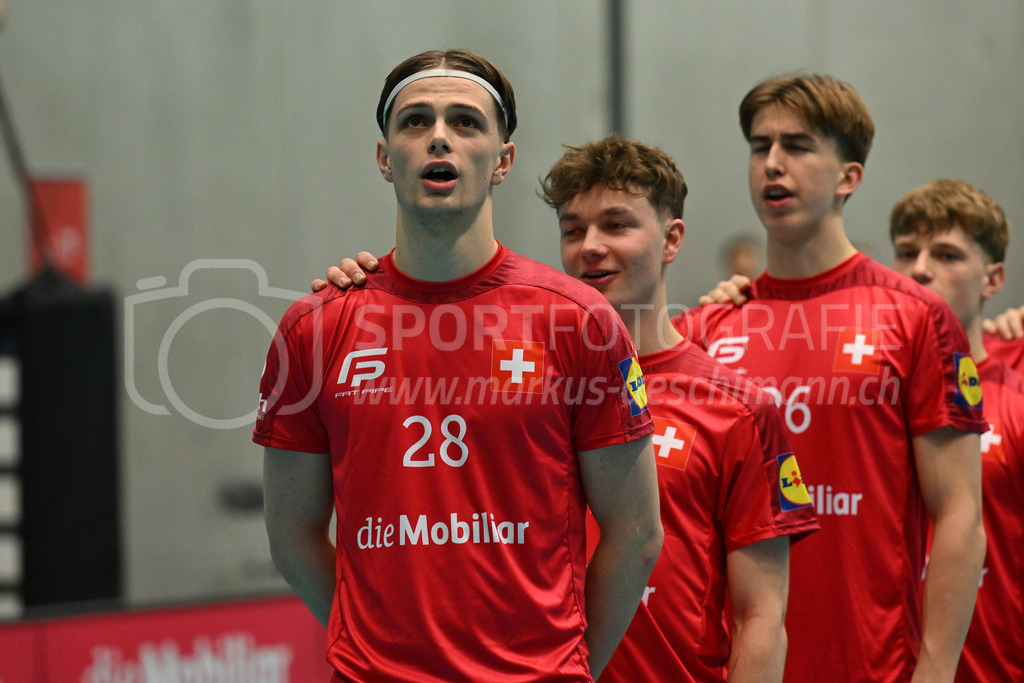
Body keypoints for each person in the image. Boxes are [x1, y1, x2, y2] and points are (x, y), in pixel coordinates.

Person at [317, 135, 821, 682]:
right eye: (573, 229)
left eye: (617, 225)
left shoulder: (739, 410)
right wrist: (368, 291)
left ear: (672, 239)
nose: (591, 247)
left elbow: (761, 618)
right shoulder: (519, 381)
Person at [254, 49, 663, 682]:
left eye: (466, 122)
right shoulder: (315, 328)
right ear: (386, 157)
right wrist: (370, 651)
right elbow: (291, 536)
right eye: (415, 121)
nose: (439, 136)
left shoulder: (578, 320)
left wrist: (570, 669)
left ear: (503, 161)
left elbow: (637, 534)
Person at [676, 74, 987, 681]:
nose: (772, 164)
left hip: (870, 663)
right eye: (759, 145)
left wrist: (935, 669)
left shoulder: (918, 318)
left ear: (849, 177)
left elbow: (960, 516)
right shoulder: (710, 326)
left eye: (797, 146)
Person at [889, 178, 1024, 683]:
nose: (921, 269)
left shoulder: (1016, 395)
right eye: (907, 252)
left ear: (993, 280)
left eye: (947, 255)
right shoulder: (861, 400)